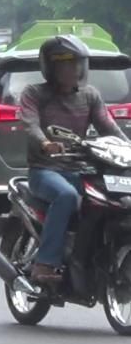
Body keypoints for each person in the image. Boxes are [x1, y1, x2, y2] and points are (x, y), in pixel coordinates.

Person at [20, 35, 129, 283]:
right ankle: (45, 263)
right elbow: (30, 124)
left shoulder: (90, 95)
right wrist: (45, 144)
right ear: (50, 67)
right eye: (64, 64)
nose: (72, 69)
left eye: (76, 63)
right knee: (66, 196)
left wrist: (127, 149)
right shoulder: (34, 93)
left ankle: (89, 253)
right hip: (45, 170)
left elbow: (109, 128)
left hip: (82, 170)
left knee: (116, 199)